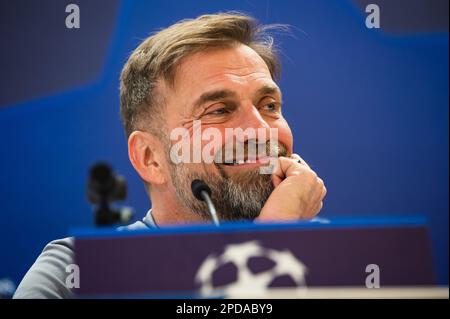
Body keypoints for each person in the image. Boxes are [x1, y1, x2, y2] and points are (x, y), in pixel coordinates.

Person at [13, 12, 326, 299]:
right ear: (151, 158)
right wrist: (274, 237)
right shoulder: (76, 272)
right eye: (219, 110)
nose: (260, 131)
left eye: (269, 106)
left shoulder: (341, 255)